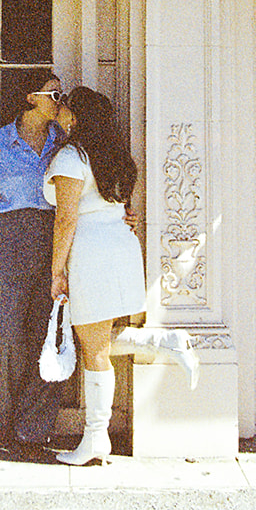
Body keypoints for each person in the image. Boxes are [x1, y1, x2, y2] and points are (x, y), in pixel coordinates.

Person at [46, 86, 200, 466]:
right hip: (119, 248)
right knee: (95, 339)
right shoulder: (112, 156)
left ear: (77, 117)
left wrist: (56, 271)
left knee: (94, 348)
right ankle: (167, 341)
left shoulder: (71, 157)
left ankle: (96, 437)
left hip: (91, 254)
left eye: (65, 108)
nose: (61, 113)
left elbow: (66, 219)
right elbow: (117, 208)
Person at [0, 70, 69, 448]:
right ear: (31, 98)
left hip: (53, 237)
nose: (60, 102)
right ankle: (2, 417)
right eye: (53, 95)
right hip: (8, 239)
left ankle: (34, 426)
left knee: (49, 334)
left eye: (62, 96)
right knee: (9, 336)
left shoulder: (64, 142)